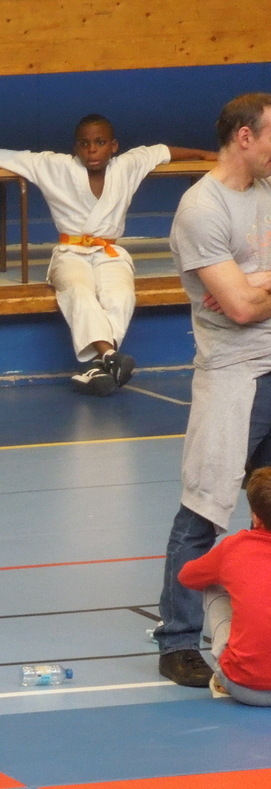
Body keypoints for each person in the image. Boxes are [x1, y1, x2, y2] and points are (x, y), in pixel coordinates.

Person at [0, 116, 217, 395]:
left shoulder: (128, 166)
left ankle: (98, 367)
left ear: (113, 146)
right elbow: (12, 157)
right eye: (84, 144)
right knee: (79, 291)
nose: (92, 150)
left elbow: (163, 151)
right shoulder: (56, 166)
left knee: (121, 296)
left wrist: (205, 154)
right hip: (70, 253)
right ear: (76, 148)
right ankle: (110, 355)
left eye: (100, 143)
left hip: (109, 253)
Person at [152, 92, 271, 687]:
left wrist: (252, 282)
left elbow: (247, 294)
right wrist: (247, 291)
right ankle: (178, 639)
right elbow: (241, 309)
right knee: (204, 506)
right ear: (245, 137)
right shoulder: (201, 208)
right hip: (232, 372)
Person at [178, 468, 271, 705]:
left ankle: (224, 676)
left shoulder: (235, 547)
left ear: (255, 517)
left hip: (246, 688)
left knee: (212, 586)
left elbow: (187, 577)